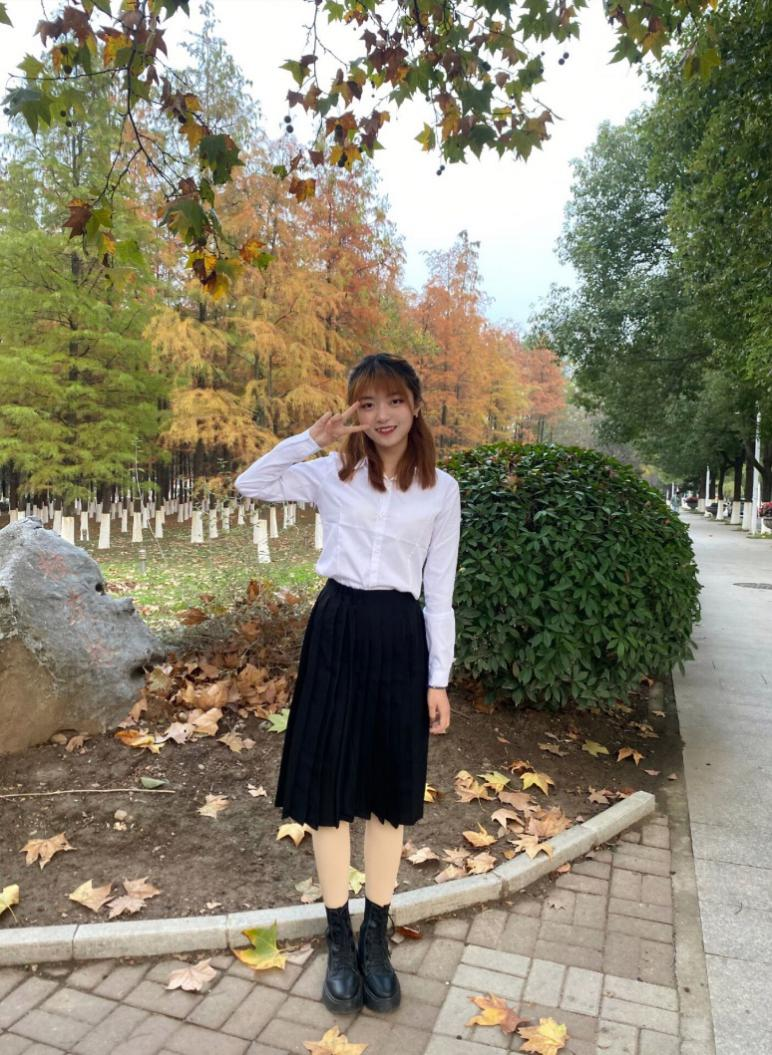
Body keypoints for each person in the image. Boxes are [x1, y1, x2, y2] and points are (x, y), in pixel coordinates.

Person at [234, 353, 462, 1016]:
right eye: (367, 403)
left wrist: (438, 678)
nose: (382, 415)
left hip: (399, 635)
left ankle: (376, 939)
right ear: (354, 411)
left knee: (391, 790)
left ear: (415, 406)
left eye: (394, 401)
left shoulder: (441, 491)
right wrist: (311, 439)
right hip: (336, 629)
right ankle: (339, 938)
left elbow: (440, 591)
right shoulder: (332, 473)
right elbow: (252, 483)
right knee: (330, 787)